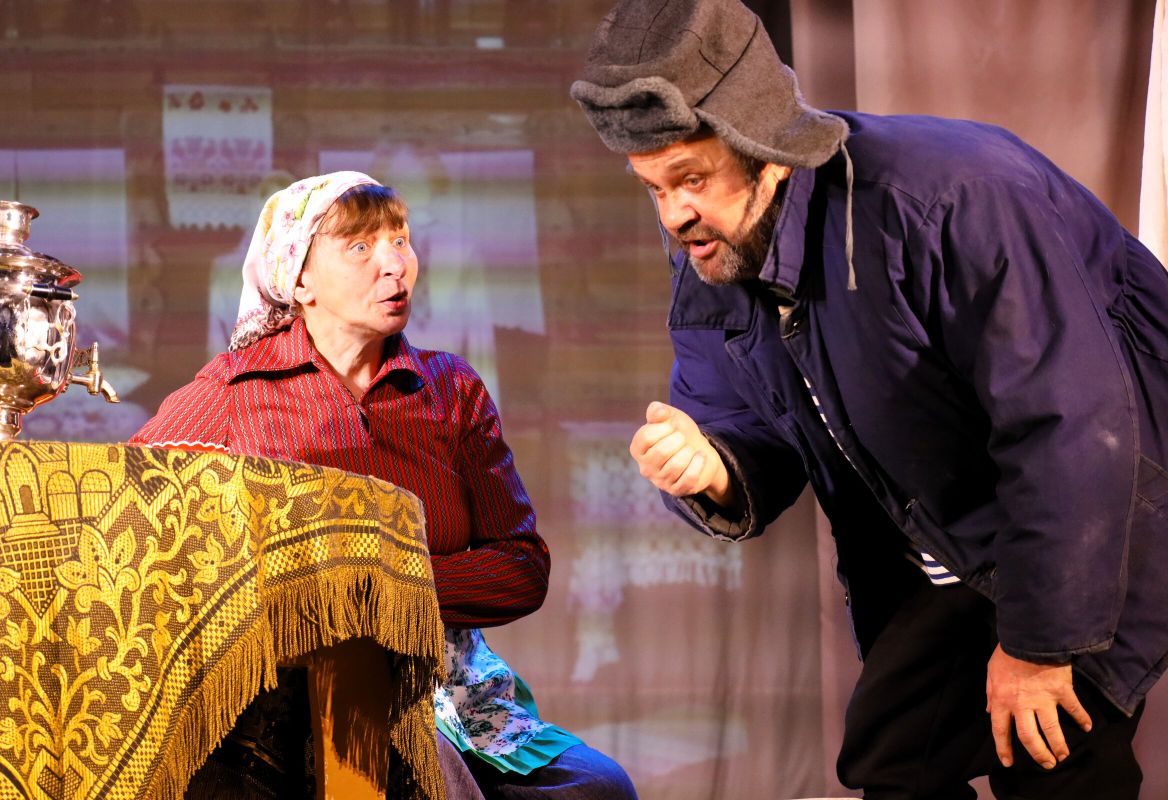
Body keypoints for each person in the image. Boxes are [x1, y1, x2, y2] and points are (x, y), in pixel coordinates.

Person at [570, 1, 1168, 798]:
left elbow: (1072, 425)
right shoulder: (713, 246)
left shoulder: (953, 199)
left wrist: (1039, 649)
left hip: (1098, 516)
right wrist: (713, 466)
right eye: (653, 188)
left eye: (692, 180)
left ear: (769, 153)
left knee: (1055, 762)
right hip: (950, 536)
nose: (675, 214)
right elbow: (745, 417)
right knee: (896, 763)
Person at [131, 172, 637, 800]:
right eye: (360, 247)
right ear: (299, 279)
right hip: (289, 696)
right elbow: (134, 516)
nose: (394, 264)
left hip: (448, 693)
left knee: (598, 789)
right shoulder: (235, 391)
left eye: (400, 240)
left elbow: (521, 566)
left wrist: (385, 589)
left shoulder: (450, 389)